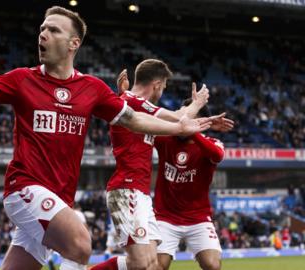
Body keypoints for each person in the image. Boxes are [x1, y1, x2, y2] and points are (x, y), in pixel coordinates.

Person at [0, 6, 215, 269]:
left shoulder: (91, 89)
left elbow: (135, 119)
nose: (42, 34)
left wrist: (180, 127)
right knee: (80, 244)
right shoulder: (20, 80)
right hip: (24, 188)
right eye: (42, 29)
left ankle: (132, 265)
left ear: (74, 43)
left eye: (53, 30)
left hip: (58, 197)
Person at [91, 60, 233, 270]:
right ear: (157, 84)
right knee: (140, 264)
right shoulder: (134, 101)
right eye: (164, 86)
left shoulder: (135, 103)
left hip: (140, 193)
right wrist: (198, 103)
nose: (163, 91)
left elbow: (175, 123)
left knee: (149, 265)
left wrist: (207, 121)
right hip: (127, 188)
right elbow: (178, 119)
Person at [154, 99, 226, 270]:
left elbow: (217, 155)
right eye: (181, 116)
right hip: (165, 217)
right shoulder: (165, 139)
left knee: (213, 265)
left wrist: (192, 131)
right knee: (157, 266)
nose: (181, 121)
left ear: (199, 122)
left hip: (198, 218)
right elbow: (140, 123)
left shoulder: (212, 144)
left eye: (187, 117)